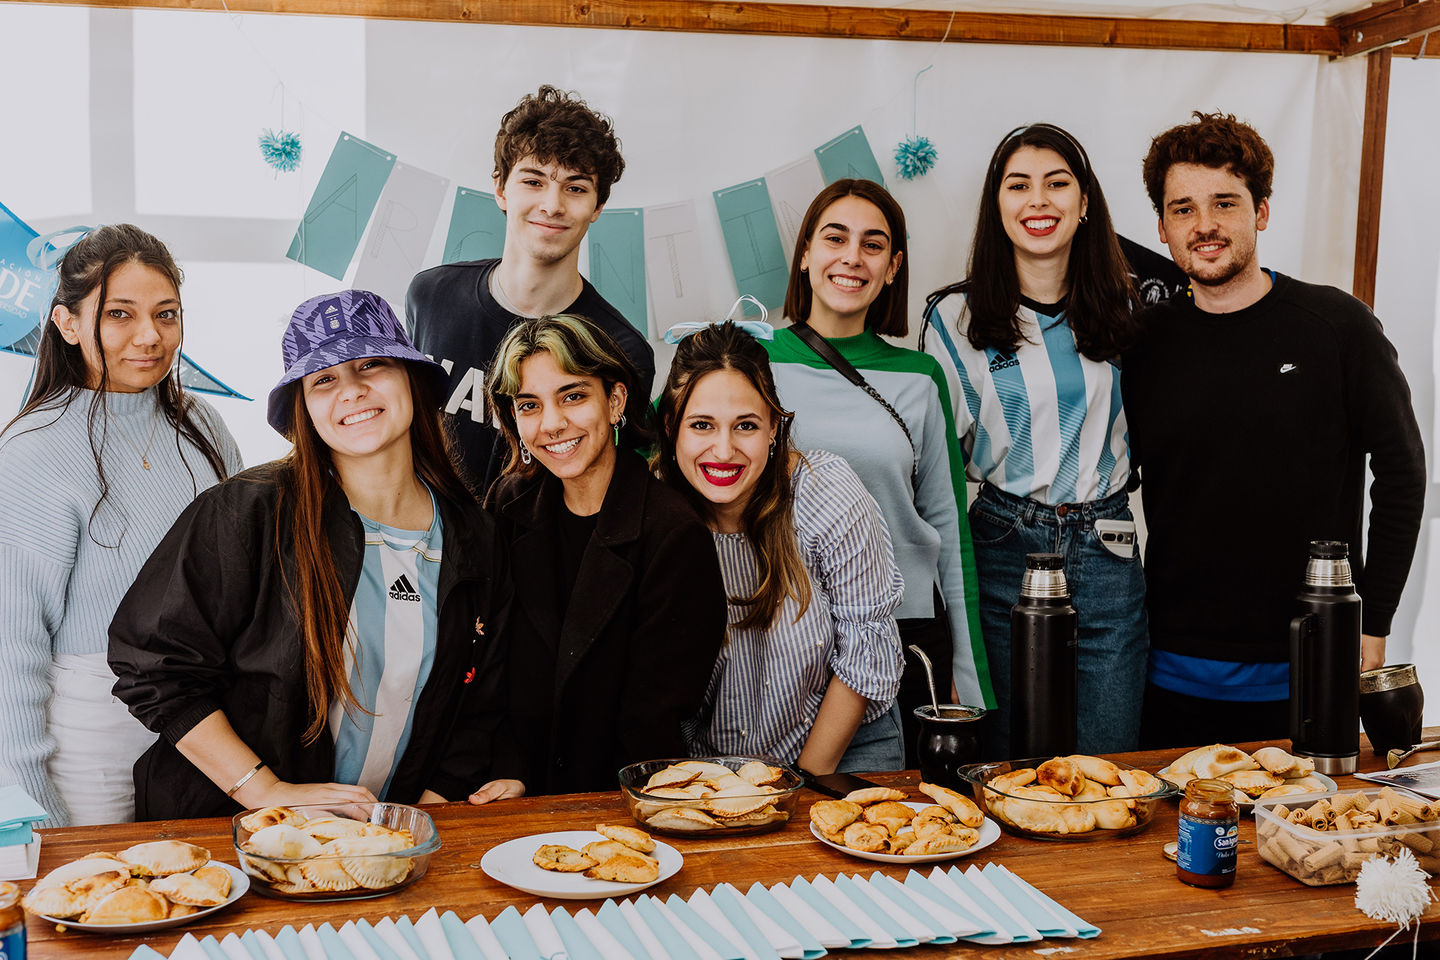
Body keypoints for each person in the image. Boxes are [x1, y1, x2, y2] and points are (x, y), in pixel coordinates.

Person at [109, 290, 517, 819]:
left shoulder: (474, 536)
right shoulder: (248, 511)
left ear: (413, 379)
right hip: (226, 834)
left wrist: (420, 818)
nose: (352, 390)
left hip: (381, 844)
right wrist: (267, 794)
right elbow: (152, 666)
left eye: (374, 364)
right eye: (324, 379)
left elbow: (480, 701)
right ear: (302, 406)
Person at [1125, 112, 1426, 747]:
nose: (1204, 225)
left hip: (1312, 660)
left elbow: (1402, 472)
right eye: (1183, 209)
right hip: (1170, 667)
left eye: (1224, 203)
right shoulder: (1143, 344)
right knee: (1172, 845)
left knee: (1304, 843)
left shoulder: (1338, 327)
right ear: (1162, 228)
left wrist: (1373, 621)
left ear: (1261, 211)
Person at [0, 224, 241, 827]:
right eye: (120, 315)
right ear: (68, 324)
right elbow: (12, 648)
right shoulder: (32, 449)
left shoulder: (202, 425)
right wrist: (35, 808)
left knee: (212, 903)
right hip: (95, 738)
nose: (149, 337)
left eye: (166, 314)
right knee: (110, 905)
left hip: (210, 721)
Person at [919, 123, 1148, 756]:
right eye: (1018, 186)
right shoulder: (953, 317)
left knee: (1109, 760)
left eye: (1056, 184)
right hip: (1000, 540)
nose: (1038, 201)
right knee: (1005, 765)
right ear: (997, 206)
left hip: (1108, 546)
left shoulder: (1131, 308)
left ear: (1083, 204)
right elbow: (939, 462)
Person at [769, 179, 989, 767]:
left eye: (873, 245)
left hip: (902, 630)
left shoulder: (920, 377)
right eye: (835, 238)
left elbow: (946, 525)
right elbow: (661, 453)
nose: (851, 257)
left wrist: (965, 678)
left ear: (892, 268)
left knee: (895, 833)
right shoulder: (749, 358)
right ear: (806, 254)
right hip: (781, 632)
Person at [483, 313, 725, 795]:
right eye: (529, 405)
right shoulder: (507, 505)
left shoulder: (674, 534)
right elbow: (489, 665)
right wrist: (506, 770)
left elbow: (653, 720)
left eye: (573, 396)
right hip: (508, 792)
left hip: (615, 801)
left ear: (615, 401)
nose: (552, 424)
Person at [654, 319, 906, 773]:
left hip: (841, 752)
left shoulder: (825, 492)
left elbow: (866, 650)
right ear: (672, 428)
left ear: (774, 427)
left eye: (746, 425)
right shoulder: (652, 514)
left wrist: (804, 786)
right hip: (706, 769)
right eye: (702, 425)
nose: (724, 450)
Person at [406, 85, 654, 496]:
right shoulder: (431, 296)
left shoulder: (622, 350)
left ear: (597, 207)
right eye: (534, 181)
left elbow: (607, 494)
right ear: (501, 190)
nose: (553, 205)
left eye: (575, 187)